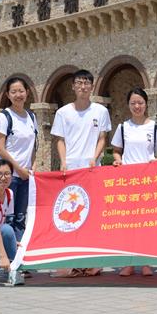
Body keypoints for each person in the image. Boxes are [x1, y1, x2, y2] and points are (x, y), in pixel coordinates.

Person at [50, 69, 111, 277]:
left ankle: (92, 262)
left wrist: (95, 157)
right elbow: (60, 140)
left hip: (92, 170)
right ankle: (70, 261)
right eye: (79, 83)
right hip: (71, 171)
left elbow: (102, 138)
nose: (83, 86)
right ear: (73, 87)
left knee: (92, 215)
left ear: (92, 87)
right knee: (70, 216)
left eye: (86, 83)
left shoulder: (100, 111)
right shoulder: (63, 112)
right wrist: (63, 161)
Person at [111, 87, 157, 277]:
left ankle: (146, 262)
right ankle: (129, 263)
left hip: (148, 181)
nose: (137, 106)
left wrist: (156, 161)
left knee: (146, 223)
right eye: (133, 103)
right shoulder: (123, 127)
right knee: (128, 224)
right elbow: (116, 150)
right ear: (128, 105)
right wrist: (118, 160)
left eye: (140, 103)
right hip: (128, 182)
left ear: (146, 104)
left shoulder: (155, 127)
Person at [0, 77, 38, 242]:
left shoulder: (31, 117)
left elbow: (33, 146)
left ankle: (19, 253)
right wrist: (18, 169)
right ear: (8, 95)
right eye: (14, 92)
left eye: (21, 91)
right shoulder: (4, 116)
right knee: (8, 218)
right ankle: (6, 252)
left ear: (27, 93)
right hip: (8, 176)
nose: (18, 95)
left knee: (21, 217)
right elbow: (0, 148)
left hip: (26, 177)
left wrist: (32, 168)